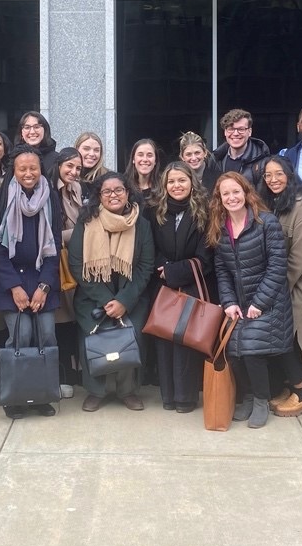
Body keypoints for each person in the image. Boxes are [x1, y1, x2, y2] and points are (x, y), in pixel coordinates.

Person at [209, 172, 302, 428]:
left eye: (236, 192)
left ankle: (262, 400)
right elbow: (222, 270)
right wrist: (228, 302)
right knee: (235, 351)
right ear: (219, 198)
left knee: (251, 351)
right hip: (239, 303)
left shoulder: (266, 222)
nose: (231, 197)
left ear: (246, 193)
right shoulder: (220, 227)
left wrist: (259, 303)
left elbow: (276, 267)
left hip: (270, 302)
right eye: (225, 193)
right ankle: (249, 397)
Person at [0, 146, 64, 418]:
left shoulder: (50, 197)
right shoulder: (2, 199)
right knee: (21, 336)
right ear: (14, 171)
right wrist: (14, 288)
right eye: (23, 169)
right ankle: (14, 396)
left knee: (46, 334)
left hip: (42, 279)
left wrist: (44, 286)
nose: (29, 173)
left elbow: (55, 246)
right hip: (11, 282)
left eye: (34, 168)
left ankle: (41, 395)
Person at [67, 171, 155, 412]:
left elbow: (146, 266)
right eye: (107, 191)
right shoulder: (86, 223)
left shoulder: (141, 224)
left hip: (130, 296)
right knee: (94, 337)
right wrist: (107, 300)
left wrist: (124, 301)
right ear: (99, 196)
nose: (113, 195)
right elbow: (77, 264)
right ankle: (97, 391)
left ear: (128, 193)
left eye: (119, 190)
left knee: (130, 335)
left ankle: (127, 391)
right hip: (93, 296)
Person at [148, 162, 214, 414]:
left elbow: (206, 255)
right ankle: (168, 396)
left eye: (182, 180)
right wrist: (162, 267)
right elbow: (149, 246)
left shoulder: (205, 211)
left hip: (193, 285)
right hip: (162, 286)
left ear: (192, 183)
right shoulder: (154, 211)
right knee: (164, 340)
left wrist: (174, 271)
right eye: (171, 181)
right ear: (165, 185)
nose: (177, 186)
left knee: (186, 341)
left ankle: (186, 398)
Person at [257, 156, 302, 413]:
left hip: (297, 286)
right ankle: (291, 388)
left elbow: (301, 256)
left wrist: (276, 287)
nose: (273, 180)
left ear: (290, 175)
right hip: (277, 286)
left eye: (279, 174)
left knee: (294, 341)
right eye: (268, 175)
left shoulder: (300, 207)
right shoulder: (269, 204)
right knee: (280, 340)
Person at [52, 147, 84, 397]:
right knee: (61, 321)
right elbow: (50, 235)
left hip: (76, 261)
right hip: (57, 263)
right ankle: (63, 376)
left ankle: (75, 372)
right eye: (69, 166)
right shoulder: (49, 190)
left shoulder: (77, 189)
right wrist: (81, 234)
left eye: (78, 168)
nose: (73, 172)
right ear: (59, 164)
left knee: (74, 319)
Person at [213, 108, 272, 181]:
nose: (235, 134)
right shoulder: (215, 159)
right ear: (225, 132)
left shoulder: (263, 162)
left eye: (241, 129)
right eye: (231, 129)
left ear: (249, 131)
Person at [125, 138, 163, 207]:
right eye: (140, 155)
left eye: (149, 155)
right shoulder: (123, 186)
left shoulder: (164, 187)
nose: (145, 159)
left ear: (155, 161)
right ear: (133, 159)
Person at [74, 131, 110, 198]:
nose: (91, 154)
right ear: (76, 149)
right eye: (86, 149)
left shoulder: (109, 177)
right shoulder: (68, 176)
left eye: (96, 150)